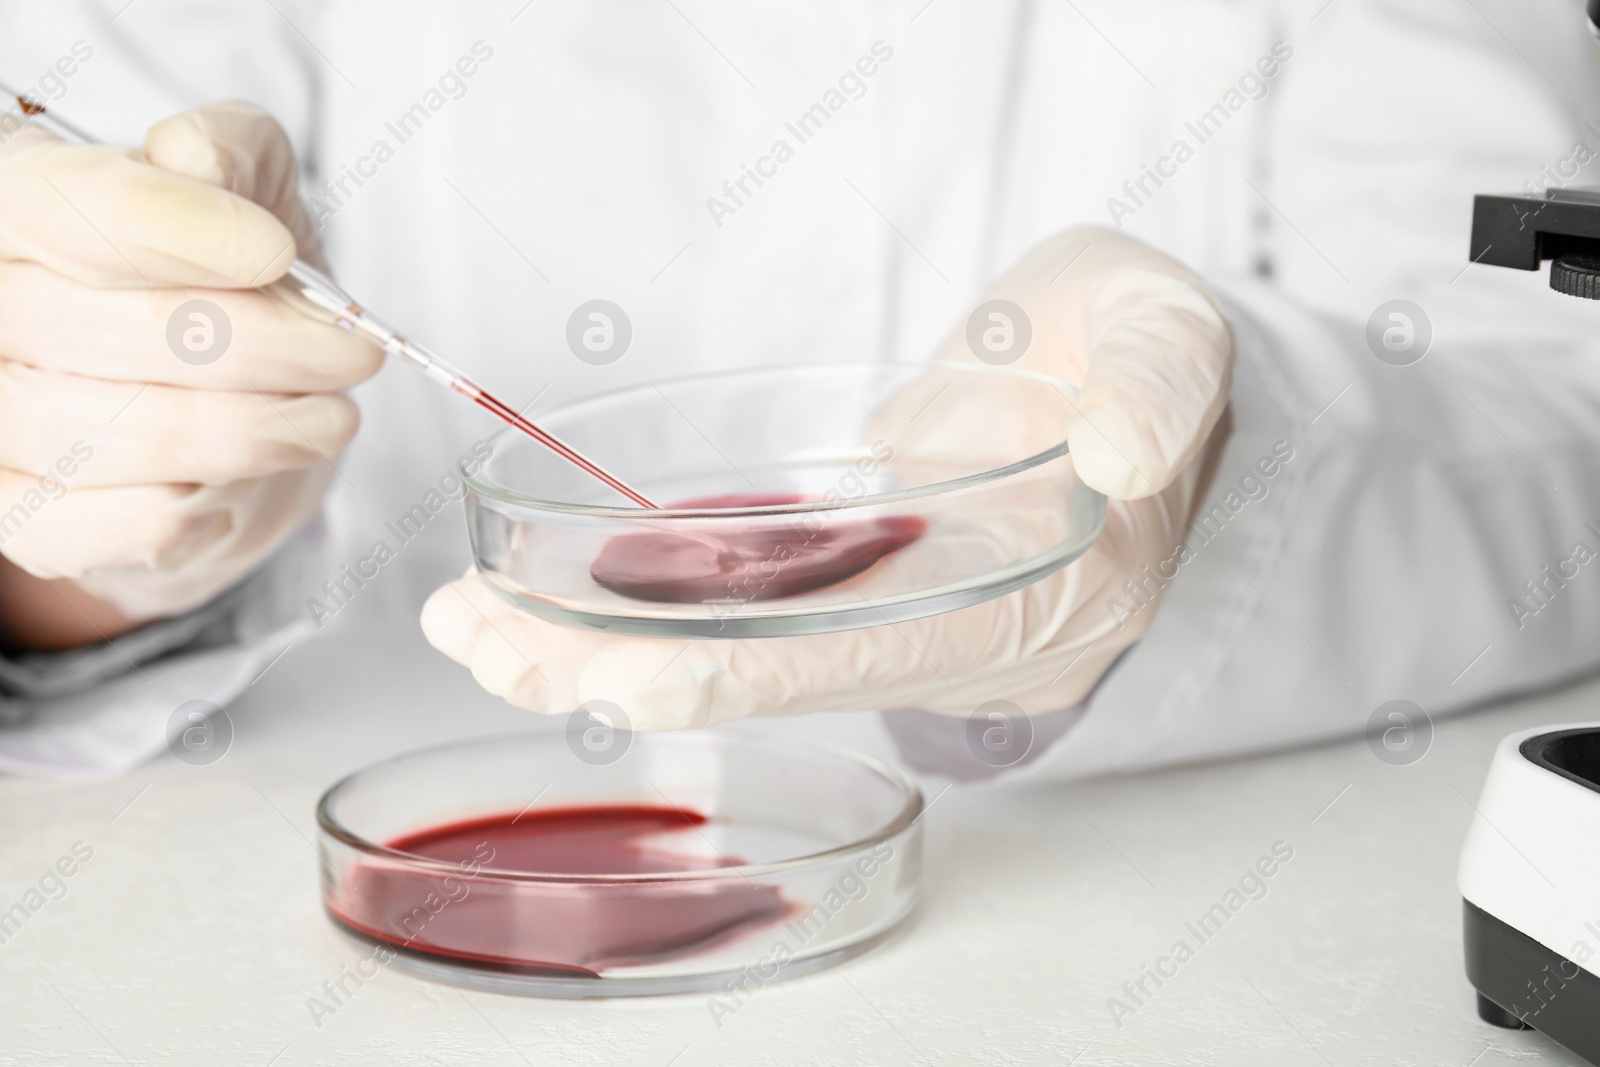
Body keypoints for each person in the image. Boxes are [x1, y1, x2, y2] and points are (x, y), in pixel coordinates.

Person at [0, 0, 1594, 779]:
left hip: (1105, 914)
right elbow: (78, 218)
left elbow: (1554, 405)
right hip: (292, 900)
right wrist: (99, 514)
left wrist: (1213, 450)